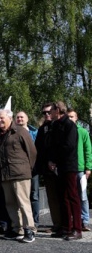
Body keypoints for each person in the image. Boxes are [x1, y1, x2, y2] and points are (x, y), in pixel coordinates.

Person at [0, 109, 37, 243]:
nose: (0, 120)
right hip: (5, 174)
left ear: (9, 118)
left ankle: (29, 230)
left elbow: (32, 152)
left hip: (20, 173)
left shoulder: (20, 131)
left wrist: (27, 168)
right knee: (10, 203)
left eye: (2, 118)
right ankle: (17, 229)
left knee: (23, 202)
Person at [47, 101, 82, 241]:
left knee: (72, 197)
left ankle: (77, 229)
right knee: (62, 197)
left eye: (52, 110)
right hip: (59, 166)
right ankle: (66, 227)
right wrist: (51, 159)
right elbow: (52, 145)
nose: (49, 113)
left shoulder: (69, 125)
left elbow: (69, 146)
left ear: (58, 110)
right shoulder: (55, 125)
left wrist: (56, 158)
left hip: (69, 166)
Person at [35, 102, 62, 234]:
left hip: (60, 167)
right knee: (51, 197)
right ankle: (57, 223)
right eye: (44, 112)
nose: (46, 114)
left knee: (63, 197)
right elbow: (39, 148)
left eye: (48, 112)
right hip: (47, 169)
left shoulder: (60, 126)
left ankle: (67, 224)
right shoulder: (42, 128)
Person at [67, 109, 92, 232]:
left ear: (76, 118)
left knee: (82, 196)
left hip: (80, 169)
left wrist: (88, 167)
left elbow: (88, 150)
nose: (70, 118)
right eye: (68, 117)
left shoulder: (82, 132)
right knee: (71, 196)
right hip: (68, 169)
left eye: (72, 116)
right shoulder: (64, 132)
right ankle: (73, 220)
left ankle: (85, 221)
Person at [15, 111, 40, 228]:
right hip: (19, 169)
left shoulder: (35, 132)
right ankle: (22, 223)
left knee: (34, 195)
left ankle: (35, 221)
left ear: (27, 119)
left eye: (22, 117)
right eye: (18, 117)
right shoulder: (12, 132)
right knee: (20, 196)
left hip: (33, 168)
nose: (20, 119)